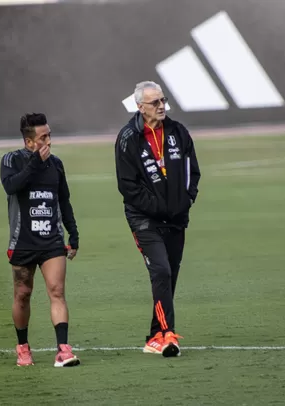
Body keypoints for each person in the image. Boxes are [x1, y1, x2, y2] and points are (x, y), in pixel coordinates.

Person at [114, 81, 201, 357]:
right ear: (140, 107)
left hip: (176, 217)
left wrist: (185, 201)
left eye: (163, 100)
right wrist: (160, 207)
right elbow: (128, 186)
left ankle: (153, 337)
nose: (161, 106)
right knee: (161, 271)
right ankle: (166, 336)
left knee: (169, 277)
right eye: (155, 102)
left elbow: (192, 172)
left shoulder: (178, 132)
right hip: (144, 220)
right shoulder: (128, 138)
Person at [0, 112, 81, 367]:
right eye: (43, 136)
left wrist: (73, 232)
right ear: (29, 142)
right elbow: (11, 186)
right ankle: (23, 347)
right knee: (22, 294)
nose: (49, 140)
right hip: (23, 240)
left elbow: (64, 200)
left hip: (51, 240)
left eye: (49, 135)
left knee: (57, 291)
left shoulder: (56, 164)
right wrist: (35, 162)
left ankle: (63, 350)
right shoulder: (11, 160)